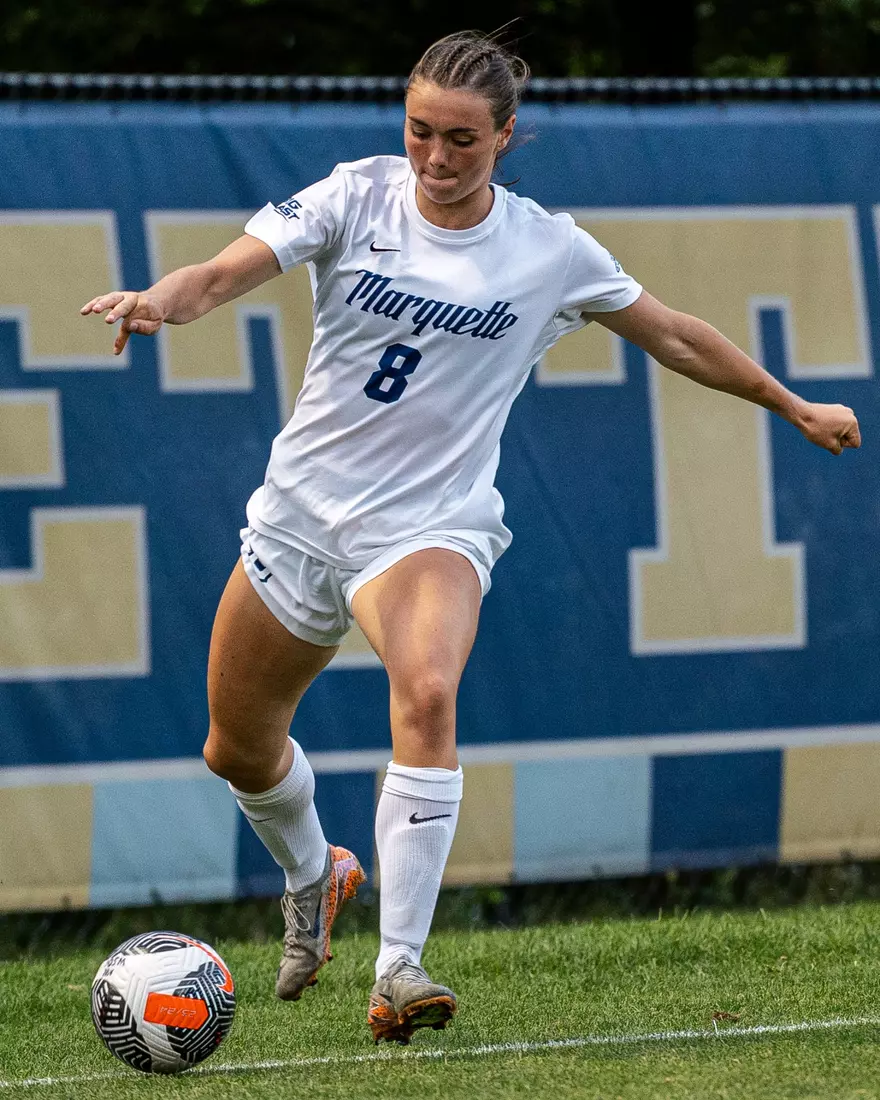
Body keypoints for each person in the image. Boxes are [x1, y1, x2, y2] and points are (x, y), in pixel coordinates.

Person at [80, 30, 861, 1044]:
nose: (435, 160)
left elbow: (672, 332)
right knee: (236, 746)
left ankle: (399, 966)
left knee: (430, 687)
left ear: (502, 139)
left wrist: (791, 403)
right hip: (301, 517)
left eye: (460, 141)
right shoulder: (353, 195)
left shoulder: (548, 249)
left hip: (428, 524)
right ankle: (315, 878)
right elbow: (224, 273)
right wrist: (156, 301)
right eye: (419, 133)